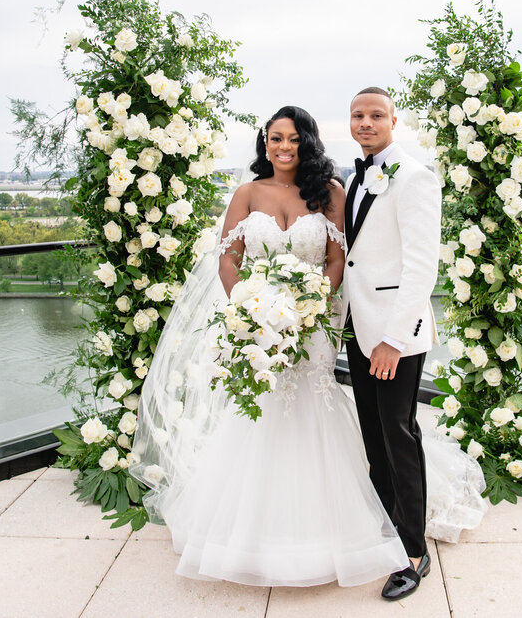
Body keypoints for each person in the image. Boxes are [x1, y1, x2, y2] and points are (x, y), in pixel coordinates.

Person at [129, 104, 486, 593]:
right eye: (275, 138)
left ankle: (406, 544)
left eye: (293, 139)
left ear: (308, 143)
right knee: (280, 419)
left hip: (316, 327)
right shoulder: (247, 192)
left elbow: (340, 260)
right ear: (264, 142)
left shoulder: (332, 192)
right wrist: (250, 310)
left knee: (382, 428)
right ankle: (263, 530)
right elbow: (228, 258)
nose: (283, 147)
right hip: (256, 330)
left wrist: (307, 306)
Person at [342, 86, 440, 600]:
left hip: (394, 337)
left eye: (376, 115)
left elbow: (421, 267)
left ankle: (415, 553)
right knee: (373, 437)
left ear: (393, 120)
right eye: (358, 115)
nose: (366, 122)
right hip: (358, 329)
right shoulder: (352, 177)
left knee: (399, 434)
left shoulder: (415, 177)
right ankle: (389, 527)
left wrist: (393, 341)